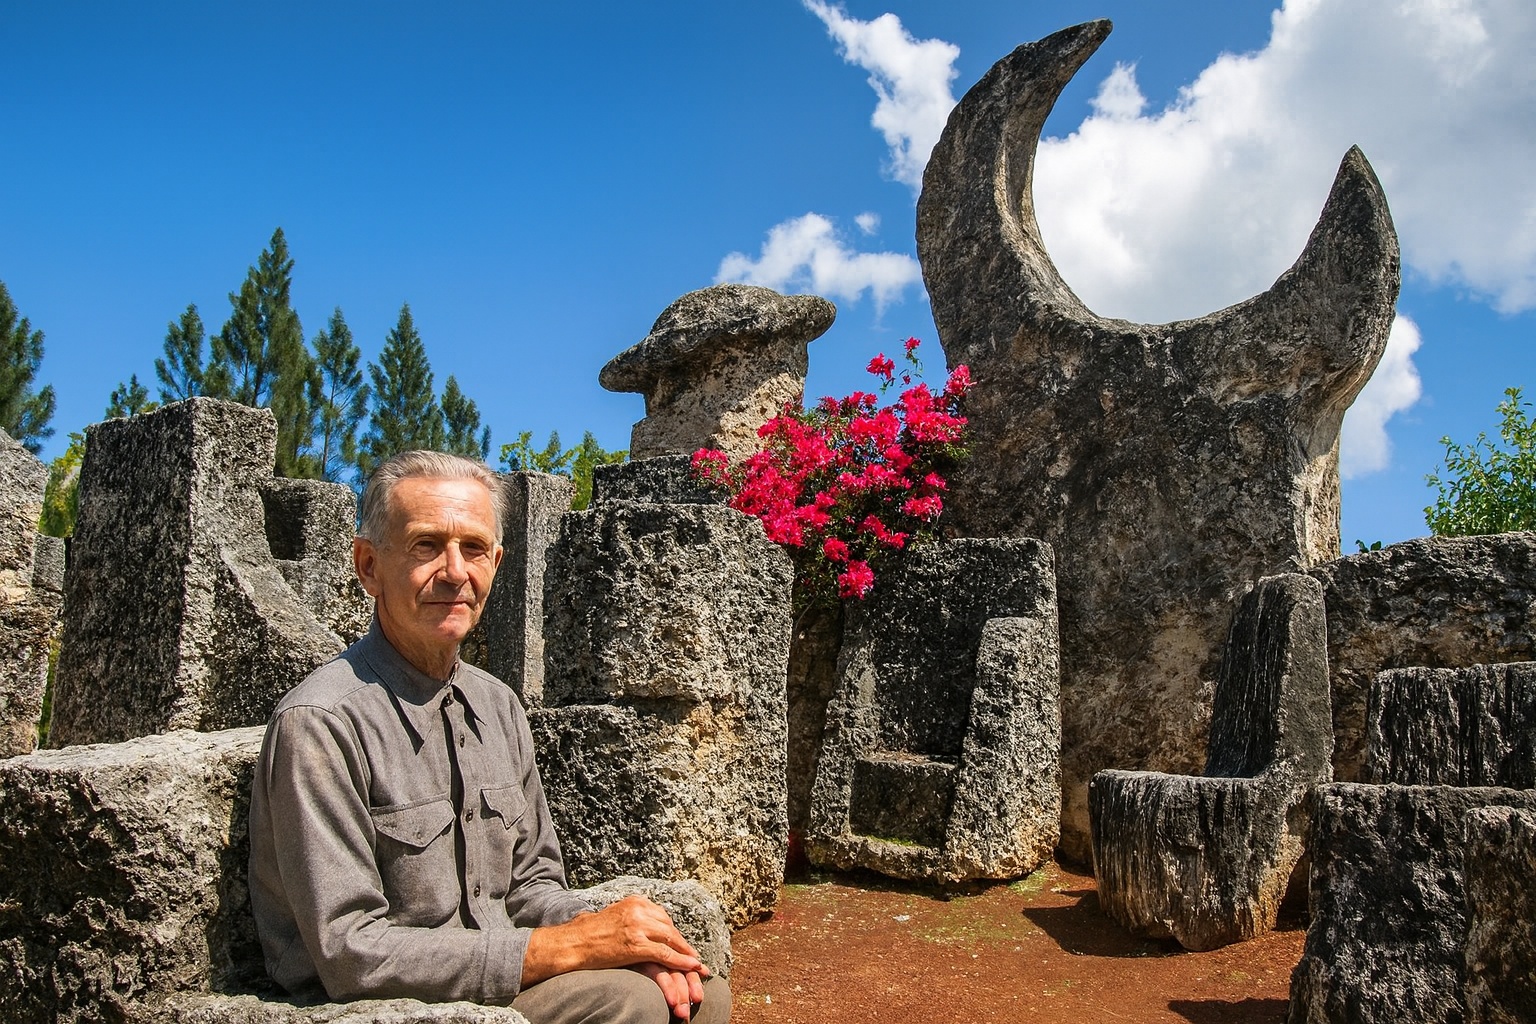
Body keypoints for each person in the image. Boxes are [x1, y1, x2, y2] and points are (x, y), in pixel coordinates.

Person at [248, 450, 728, 1022]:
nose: (455, 571)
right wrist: (562, 948)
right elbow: (350, 951)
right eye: (426, 545)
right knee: (633, 1005)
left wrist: (619, 940)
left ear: (497, 563)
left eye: (474, 548)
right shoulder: (322, 723)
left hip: (490, 982)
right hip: (376, 1006)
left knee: (698, 995)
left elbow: (532, 886)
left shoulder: (498, 706)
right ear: (369, 566)